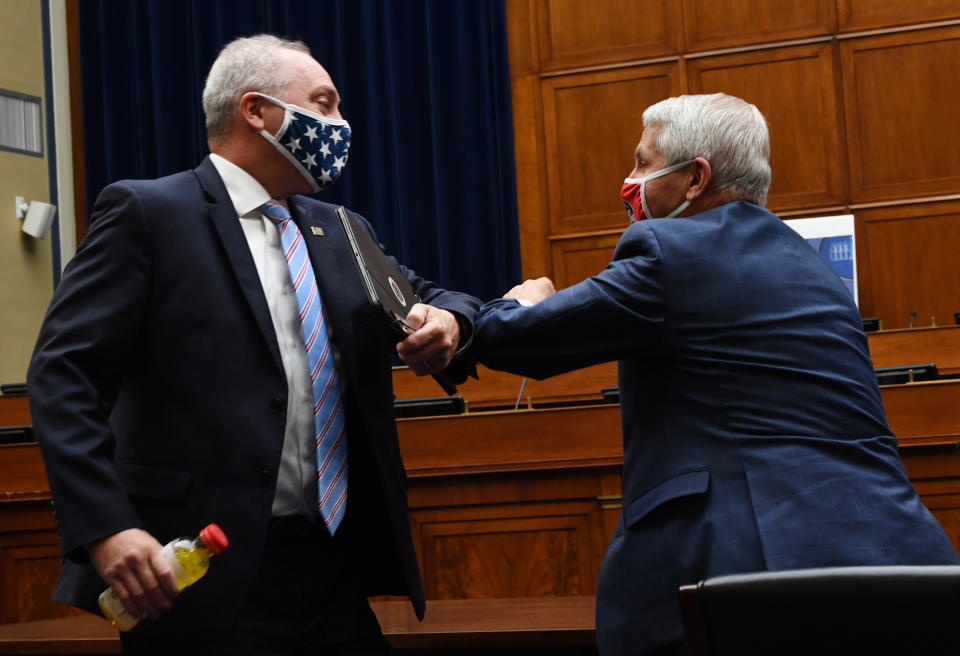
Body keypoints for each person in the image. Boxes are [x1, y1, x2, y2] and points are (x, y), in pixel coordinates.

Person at [28, 34, 479, 654]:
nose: (340, 125)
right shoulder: (149, 213)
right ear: (257, 112)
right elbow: (62, 376)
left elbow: (433, 295)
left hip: (334, 570)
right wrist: (106, 527)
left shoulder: (340, 230)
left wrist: (451, 320)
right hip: (201, 574)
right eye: (323, 105)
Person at [474, 93, 959, 656]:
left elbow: (522, 343)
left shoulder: (666, 248)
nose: (628, 181)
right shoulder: (815, 270)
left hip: (754, 579)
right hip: (900, 565)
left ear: (694, 178)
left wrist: (522, 302)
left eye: (643, 163)